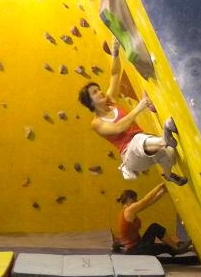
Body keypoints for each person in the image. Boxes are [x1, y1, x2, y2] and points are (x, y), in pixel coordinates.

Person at [78, 38, 187, 186]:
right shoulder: (96, 123)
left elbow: (115, 75)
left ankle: (169, 175)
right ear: (90, 102)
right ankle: (164, 139)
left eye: (99, 89)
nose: (100, 92)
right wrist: (140, 107)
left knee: (169, 155)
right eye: (95, 92)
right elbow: (118, 128)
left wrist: (115, 53)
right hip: (131, 156)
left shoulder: (110, 101)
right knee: (138, 140)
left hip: (144, 146)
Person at [115, 183, 191, 256]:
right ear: (129, 199)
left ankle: (179, 249)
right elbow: (145, 200)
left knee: (166, 247)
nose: (136, 201)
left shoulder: (128, 211)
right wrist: (161, 185)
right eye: (135, 200)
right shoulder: (128, 211)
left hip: (137, 248)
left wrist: (163, 191)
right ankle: (176, 247)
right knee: (154, 227)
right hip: (135, 250)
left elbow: (149, 203)